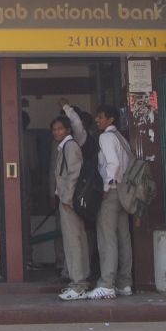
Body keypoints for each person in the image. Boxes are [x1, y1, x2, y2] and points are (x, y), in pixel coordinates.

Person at [88, 104, 133, 299]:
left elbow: (112, 163)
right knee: (124, 237)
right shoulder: (121, 138)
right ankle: (125, 283)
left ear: (111, 119)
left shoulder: (105, 137)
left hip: (112, 192)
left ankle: (107, 283)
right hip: (124, 193)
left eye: (100, 117)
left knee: (107, 238)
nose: (97, 120)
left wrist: (106, 187)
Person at [49, 104, 90, 300]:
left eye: (60, 129)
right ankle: (78, 281)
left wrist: (67, 198)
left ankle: (78, 284)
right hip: (67, 200)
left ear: (68, 130)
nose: (57, 132)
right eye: (54, 129)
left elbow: (74, 174)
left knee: (74, 242)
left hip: (69, 202)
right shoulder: (65, 146)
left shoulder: (70, 146)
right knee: (74, 240)